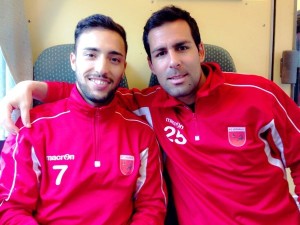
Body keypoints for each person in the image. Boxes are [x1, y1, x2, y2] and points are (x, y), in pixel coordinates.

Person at [1, 5, 300, 225]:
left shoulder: (261, 94)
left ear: (200, 50)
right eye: (160, 54)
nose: (173, 62)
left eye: (182, 48)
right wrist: (35, 88)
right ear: (151, 64)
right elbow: (92, 95)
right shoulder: (147, 105)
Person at [0, 13, 167, 224]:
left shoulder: (141, 132)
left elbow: (152, 206)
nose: (102, 69)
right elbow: (10, 208)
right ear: (73, 61)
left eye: (114, 59)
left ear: (123, 67)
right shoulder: (31, 126)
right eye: (91, 55)